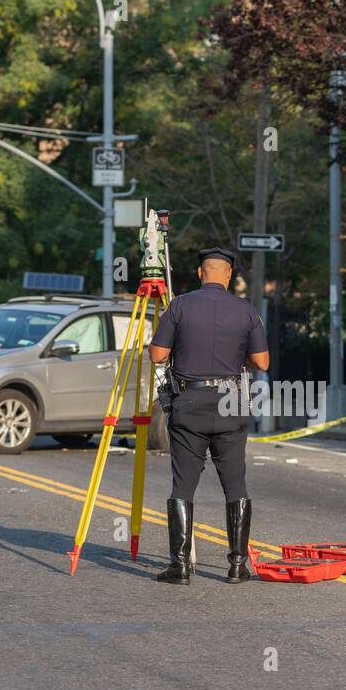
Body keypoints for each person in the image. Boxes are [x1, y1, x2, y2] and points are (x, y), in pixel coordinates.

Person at [148, 247, 270, 585]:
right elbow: (262, 363)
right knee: (236, 485)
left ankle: (180, 566)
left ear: (201, 272)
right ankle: (236, 566)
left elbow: (157, 356)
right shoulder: (246, 312)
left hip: (189, 404)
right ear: (228, 275)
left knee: (183, 486)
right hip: (231, 404)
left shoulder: (180, 305)